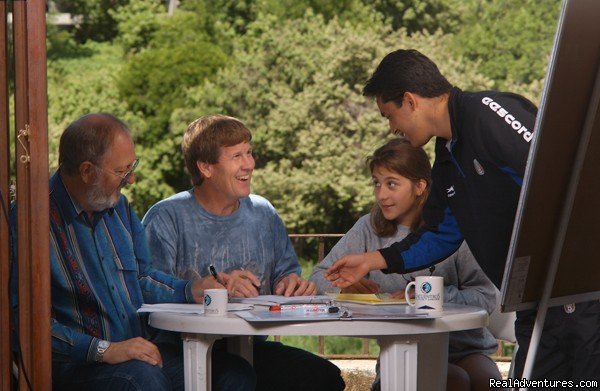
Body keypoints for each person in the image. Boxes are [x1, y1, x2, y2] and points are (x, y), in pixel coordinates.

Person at [325, 49, 600, 385]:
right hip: (537, 306)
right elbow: (440, 234)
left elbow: (559, 175)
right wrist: (373, 259)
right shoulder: (447, 156)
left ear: (410, 101)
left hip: (581, 298)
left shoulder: (487, 112)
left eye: (389, 116)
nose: (392, 127)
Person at [10, 113, 250, 391]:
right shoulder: (28, 223)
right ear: (88, 171)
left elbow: (141, 278)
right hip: (78, 368)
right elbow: (22, 324)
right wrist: (105, 350)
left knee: (234, 374)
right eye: (122, 170)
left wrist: (191, 290)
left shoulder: (119, 208)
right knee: (143, 380)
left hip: (139, 355)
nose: (132, 179)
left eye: (132, 166)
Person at [142, 114, 345, 391]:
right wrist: (199, 289)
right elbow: (145, 287)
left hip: (248, 347)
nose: (249, 164)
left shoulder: (264, 213)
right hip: (181, 349)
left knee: (324, 377)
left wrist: (289, 284)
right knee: (237, 377)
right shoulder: (166, 217)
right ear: (205, 167)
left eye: (249, 153)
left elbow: (286, 273)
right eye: (236, 155)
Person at [310, 138, 500, 390]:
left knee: (488, 383)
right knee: (454, 381)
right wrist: (345, 288)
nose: (381, 195)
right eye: (377, 184)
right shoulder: (368, 228)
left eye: (391, 184)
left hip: (466, 348)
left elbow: (485, 297)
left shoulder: (450, 230)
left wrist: (432, 296)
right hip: (403, 350)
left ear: (420, 186)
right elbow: (317, 278)